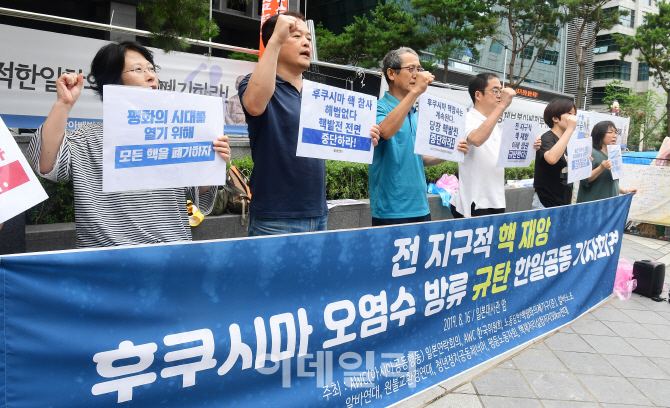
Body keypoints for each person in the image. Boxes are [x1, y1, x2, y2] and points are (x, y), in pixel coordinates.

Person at [27, 41, 231, 248]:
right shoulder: (86, 139)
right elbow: (46, 165)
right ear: (112, 79)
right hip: (107, 262)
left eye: (152, 69)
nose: (151, 76)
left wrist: (214, 160)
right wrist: (64, 104)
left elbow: (199, 193)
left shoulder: (176, 134)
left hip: (170, 255)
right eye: (139, 70)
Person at [239, 12, 380, 236]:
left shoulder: (319, 96)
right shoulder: (255, 82)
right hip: (275, 218)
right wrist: (275, 40)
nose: (306, 42)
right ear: (274, 39)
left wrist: (365, 135)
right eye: (296, 36)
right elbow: (255, 105)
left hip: (318, 214)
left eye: (308, 38)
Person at [371, 47, 468, 226]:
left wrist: (452, 151)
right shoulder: (379, 107)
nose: (417, 74)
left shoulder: (414, 114)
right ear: (391, 73)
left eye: (419, 68)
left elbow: (421, 158)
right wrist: (416, 92)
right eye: (411, 69)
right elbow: (385, 131)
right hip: (392, 209)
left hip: (420, 207)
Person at [450, 73, 541, 218]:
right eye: (495, 91)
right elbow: (477, 139)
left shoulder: (493, 125)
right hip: (475, 201)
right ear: (478, 95)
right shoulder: (467, 118)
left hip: (495, 199)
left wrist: (530, 146)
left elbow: (502, 157)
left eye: (501, 90)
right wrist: (503, 105)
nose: (500, 95)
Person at [533, 98, 578, 209]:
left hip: (563, 203)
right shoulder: (547, 138)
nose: (574, 117)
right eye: (569, 113)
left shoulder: (564, 140)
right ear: (555, 118)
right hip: (546, 203)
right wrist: (570, 129)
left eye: (575, 114)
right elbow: (552, 159)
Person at [577, 121, 637, 203]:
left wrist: (625, 191)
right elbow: (584, 180)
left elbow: (609, 183)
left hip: (610, 205)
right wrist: (601, 168)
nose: (614, 136)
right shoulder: (590, 152)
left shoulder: (613, 154)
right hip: (592, 206)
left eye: (616, 133)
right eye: (610, 132)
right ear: (600, 134)